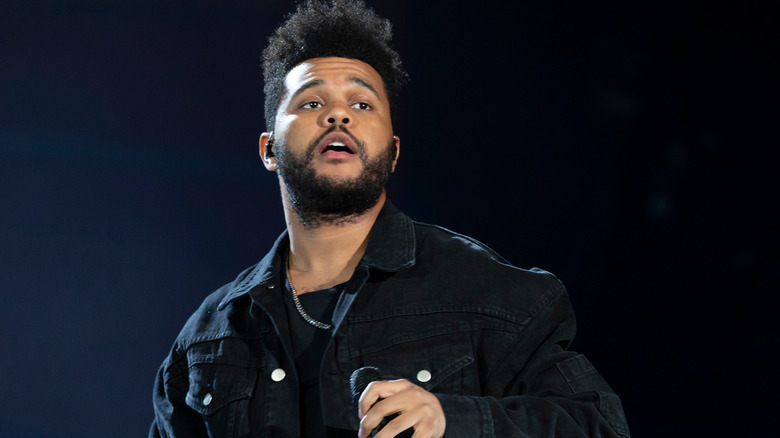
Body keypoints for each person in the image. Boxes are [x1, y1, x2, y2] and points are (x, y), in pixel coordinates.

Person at [150, 1, 630, 437]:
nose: (339, 115)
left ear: (393, 151)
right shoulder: (209, 337)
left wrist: (453, 420)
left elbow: (598, 426)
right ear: (269, 149)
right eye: (311, 103)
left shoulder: (490, 295)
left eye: (362, 104)